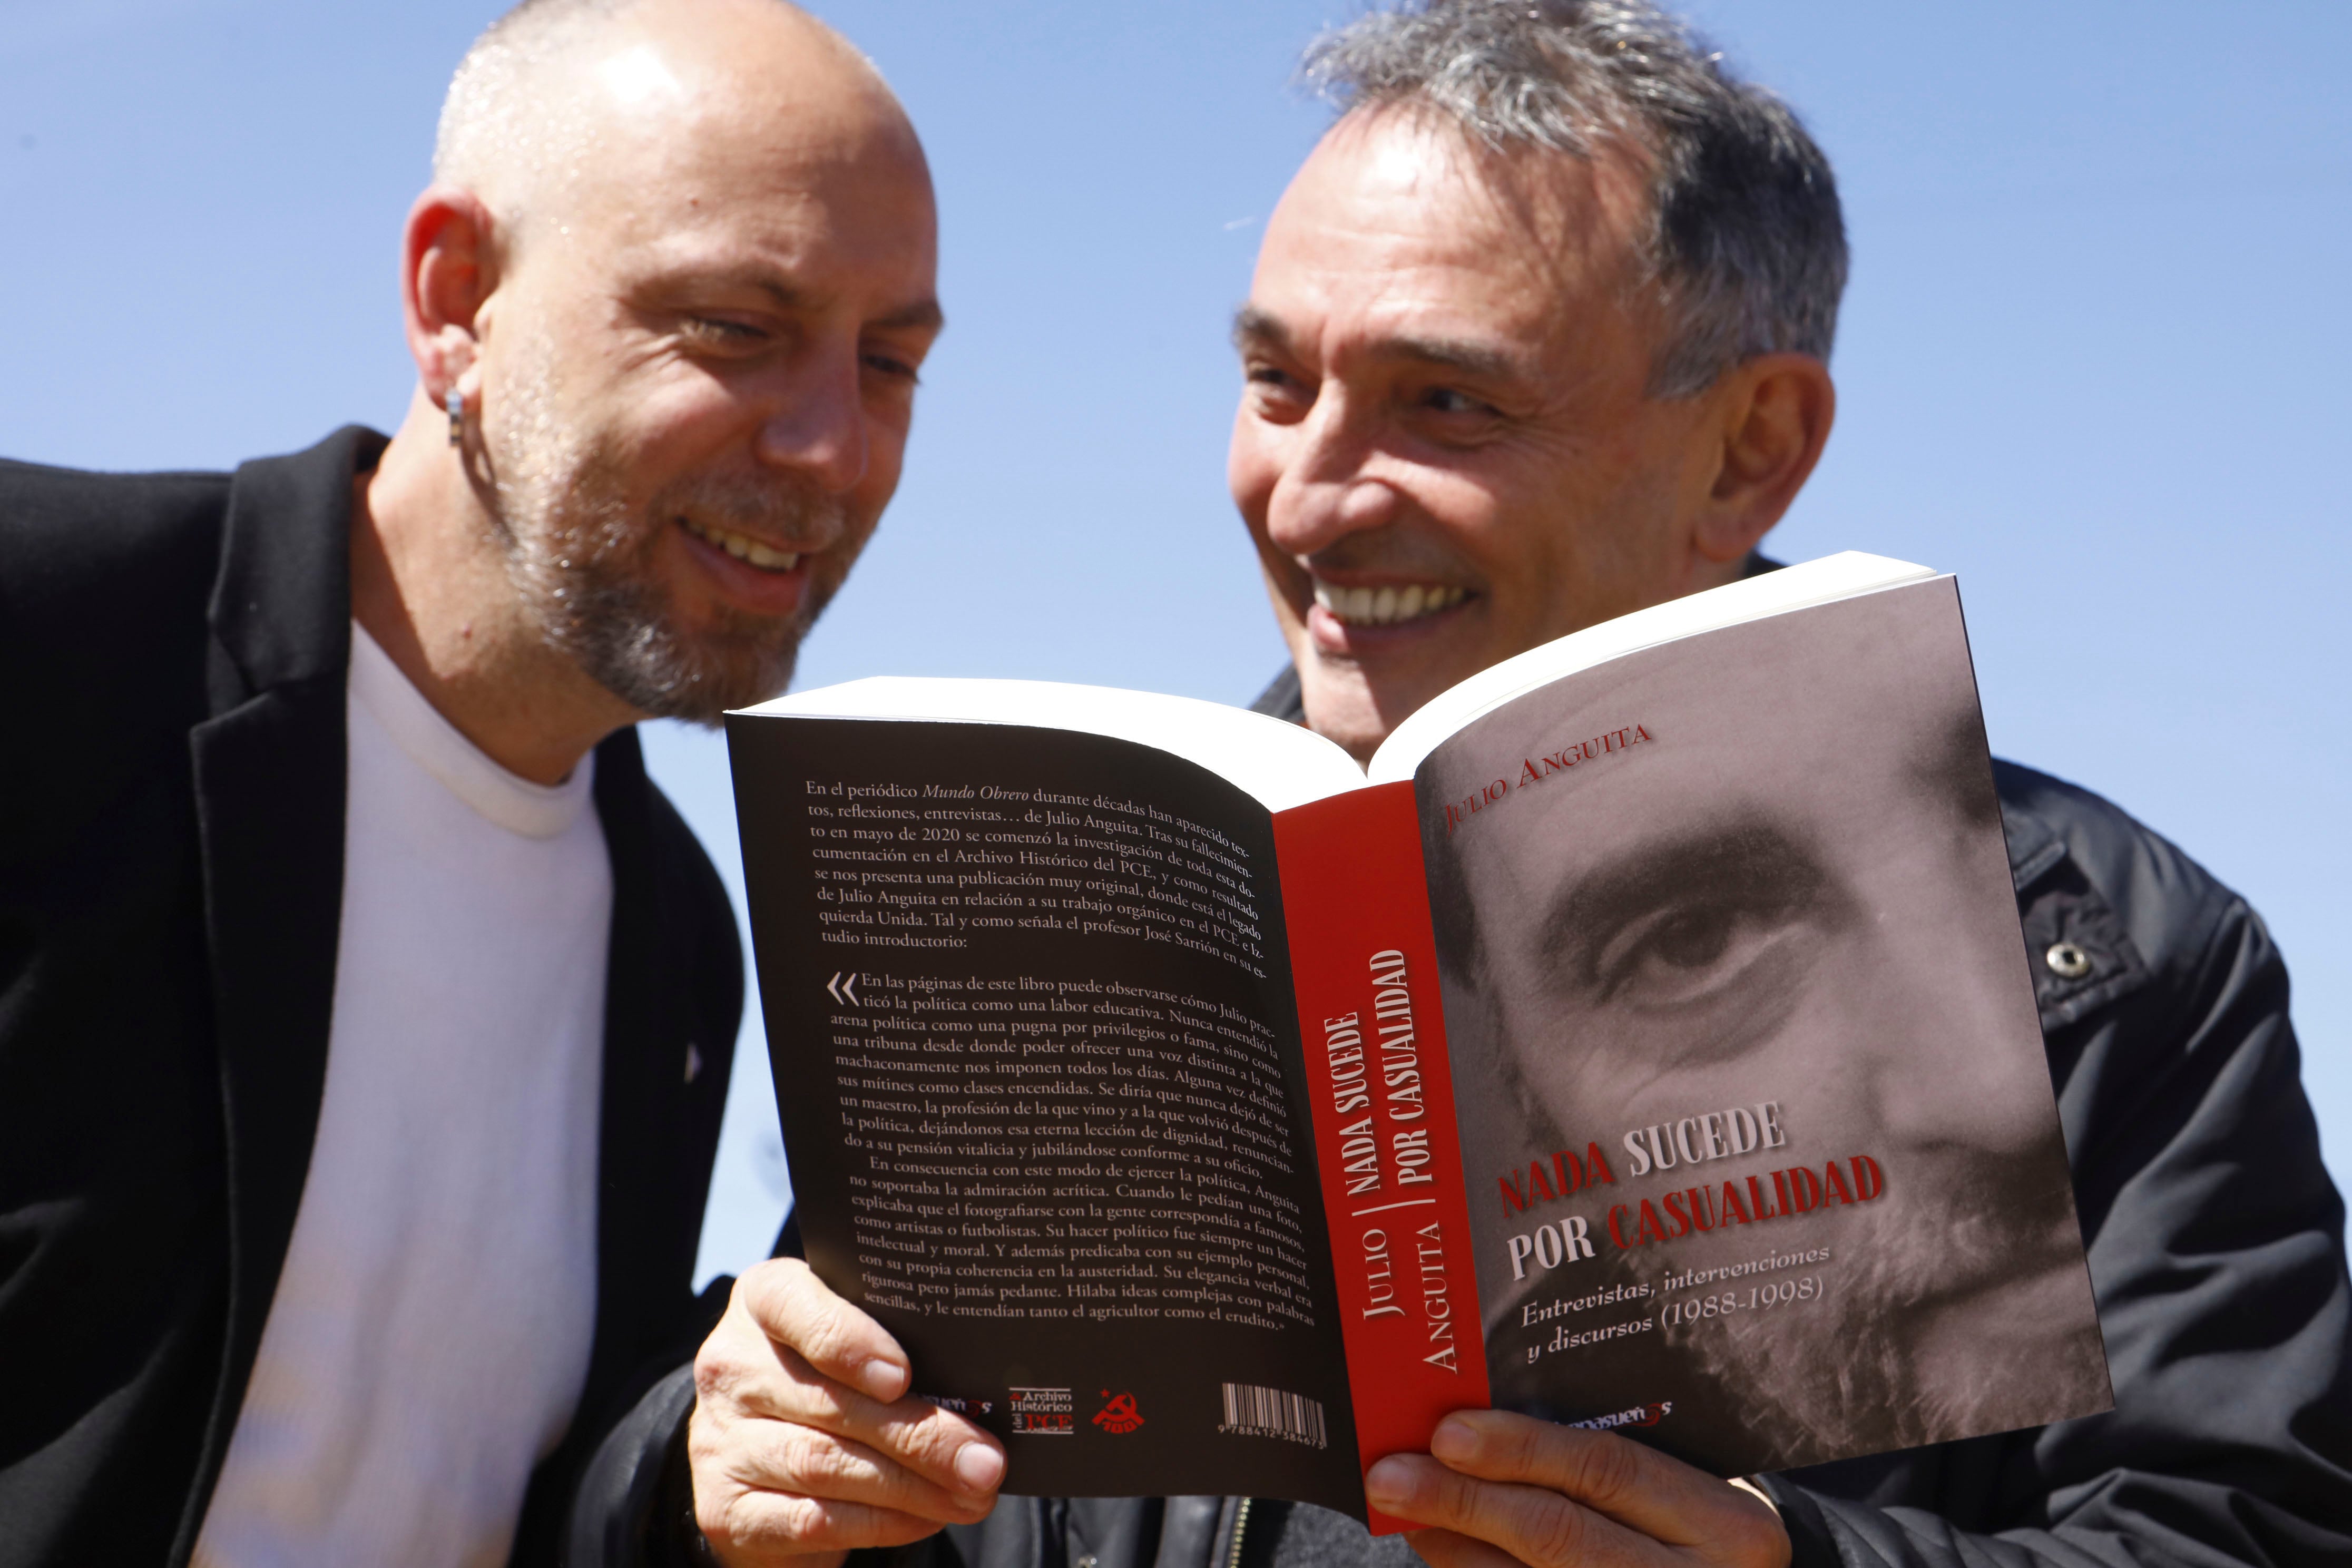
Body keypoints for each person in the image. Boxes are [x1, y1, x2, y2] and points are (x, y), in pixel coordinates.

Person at [683, 3, 2350, 1568]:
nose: (1312, 497)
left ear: (1751, 444)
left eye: (1447, 403)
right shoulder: (1093, 932)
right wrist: (725, 1477)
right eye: (1277, 382)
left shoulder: (2106, 967)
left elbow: (2243, 1528)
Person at [0, 0, 949, 1563]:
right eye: (734, 326)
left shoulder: (681, 938)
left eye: (892, 360)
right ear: (458, 301)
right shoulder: (46, 646)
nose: (833, 449)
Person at [1416, 581, 2108, 1465]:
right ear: (1529, 1106)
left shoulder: (2182, 960)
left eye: (2001, 836)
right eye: (1694, 942)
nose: (2011, 1093)